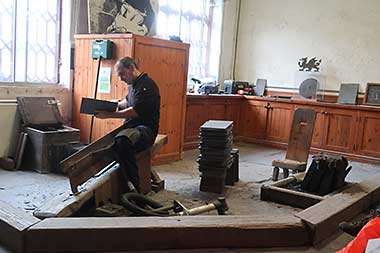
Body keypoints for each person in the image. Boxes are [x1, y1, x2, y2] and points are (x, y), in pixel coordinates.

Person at [95, 57, 160, 192]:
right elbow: (126, 102)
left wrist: (108, 115)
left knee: (123, 141)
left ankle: (135, 187)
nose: (121, 78)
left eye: (122, 74)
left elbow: (134, 111)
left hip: (146, 130)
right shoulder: (134, 84)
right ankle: (120, 184)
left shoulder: (147, 86)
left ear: (131, 68)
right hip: (133, 128)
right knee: (111, 141)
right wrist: (110, 106)